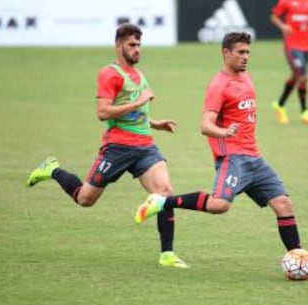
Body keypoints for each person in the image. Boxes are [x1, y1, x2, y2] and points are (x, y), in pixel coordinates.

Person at [134, 32, 308, 277]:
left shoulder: (246, 77)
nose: (246, 57)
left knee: (283, 204)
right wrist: (225, 132)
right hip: (233, 158)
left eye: (248, 52)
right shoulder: (219, 85)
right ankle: (162, 201)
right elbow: (205, 125)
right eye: (240, 52)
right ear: (226, 53)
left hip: (255, 158)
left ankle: (302, 261)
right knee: (219, 205)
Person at [26, 23, 188, 268]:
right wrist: (138, 103)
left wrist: (155, 123)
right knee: (85, 199)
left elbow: (136, 108)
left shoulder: (138, 74)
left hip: (145, 147)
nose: (137, 50)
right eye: (132, 45)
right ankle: (52, 169)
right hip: (118, 148)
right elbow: (102, 112)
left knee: (164, 193)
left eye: (139, 45)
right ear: (118, 45)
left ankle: (167, 254)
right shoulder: (109, 74)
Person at [270, 0, 308, 125]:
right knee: (302, 75)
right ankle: (305, 111)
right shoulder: (286, 1)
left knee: (296, 76)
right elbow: (274, 16)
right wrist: (283, 26)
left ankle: (280, 105)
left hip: (306, 46)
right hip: (291, 45)